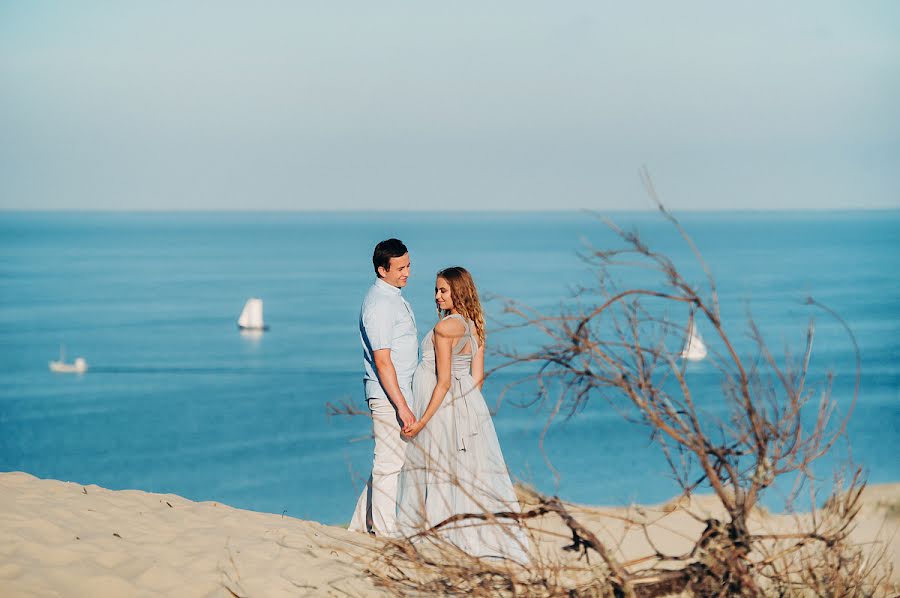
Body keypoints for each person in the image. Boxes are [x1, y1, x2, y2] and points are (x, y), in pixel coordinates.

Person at [397, 267, 529, 563]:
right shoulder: (475, 325)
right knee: (465, 472)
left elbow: (443, 381)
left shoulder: (446, 329)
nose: (437, 296)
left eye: (443, 290)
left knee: (436, 469)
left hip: (439, 406)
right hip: (466, 406)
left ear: (458, 291)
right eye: (436, 290)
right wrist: (465, 412)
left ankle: (435, 536)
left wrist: (421, 422)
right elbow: (477, 378)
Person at [349, 239, 418, 537]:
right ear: (382, 270)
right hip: (389, 394)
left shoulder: (392, 298)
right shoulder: (379, 304)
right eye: (400, 268)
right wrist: (401, 405)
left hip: (398, 392)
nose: (407, 273)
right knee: (389, 463)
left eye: (408, 265)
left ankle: (358, 526)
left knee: (390, 461)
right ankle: (385, 532)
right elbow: (382, 360)